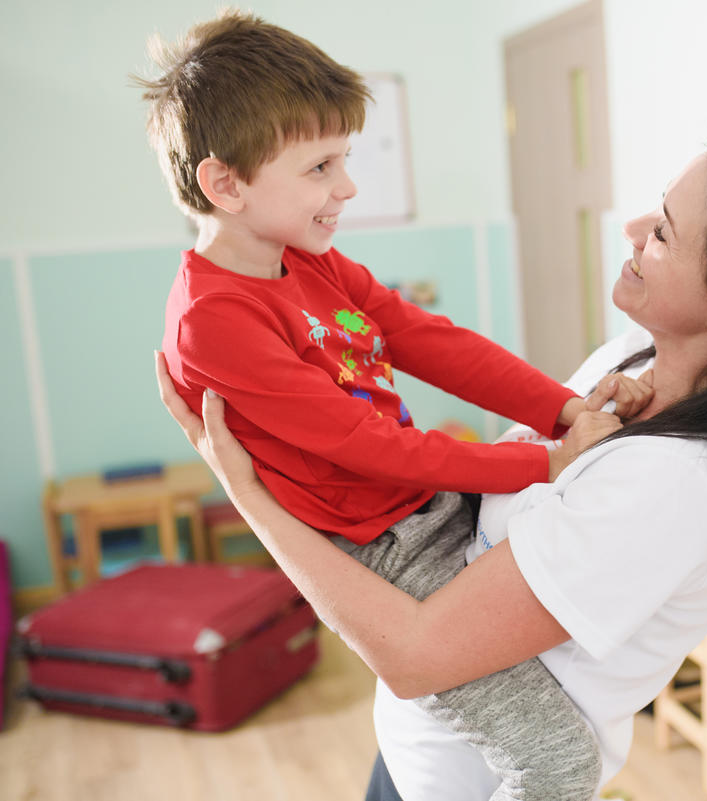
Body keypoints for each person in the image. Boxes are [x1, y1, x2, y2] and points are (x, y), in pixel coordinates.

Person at [156, 128, 707, 801]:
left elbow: (416, 654)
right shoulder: (636, 359)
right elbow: (524, 461)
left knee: (557, 767)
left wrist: (245, 489)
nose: (632, 226)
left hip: (464, 781)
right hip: (415, 753)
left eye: (664, 230)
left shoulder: (681, 482)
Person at [135, 11, 651, 800]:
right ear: (225, 184)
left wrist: (564, 411)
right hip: (384, 554)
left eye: (344, 159)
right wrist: (538, 461)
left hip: (424, 503)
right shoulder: (213, 320)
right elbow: (362, 444)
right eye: (320, 167)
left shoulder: (308, 259)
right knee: (558, 760)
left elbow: (426, 338)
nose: (345, 186)